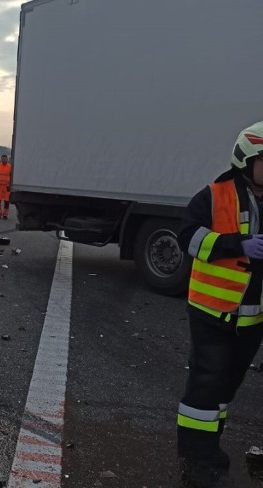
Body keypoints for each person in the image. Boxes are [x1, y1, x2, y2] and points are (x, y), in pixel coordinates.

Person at [176, 121, 263, 486]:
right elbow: (188, 238)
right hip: (213, 311)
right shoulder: (215, 194)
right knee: (207, 383)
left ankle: (210, 445)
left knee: (226, 386)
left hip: (252, 318)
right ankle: (197, 455)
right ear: (246, 159)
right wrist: (235, 245)